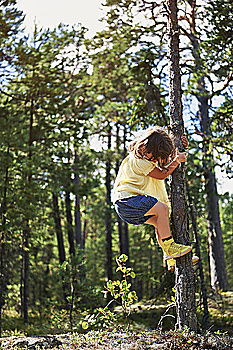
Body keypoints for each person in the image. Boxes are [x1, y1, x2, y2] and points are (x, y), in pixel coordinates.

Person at [112, 126, 197, 271]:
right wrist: (177, 161)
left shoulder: (145, 158)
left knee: (160, 223)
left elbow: (164, 164)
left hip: (126, 206)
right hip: (127, 201)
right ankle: (170, 247)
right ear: (144, 146)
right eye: (151, 154)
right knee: (161, 209)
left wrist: (181, 147)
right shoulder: (140, 161)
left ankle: (169, 258)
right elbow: (162, 174)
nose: (152, 158)